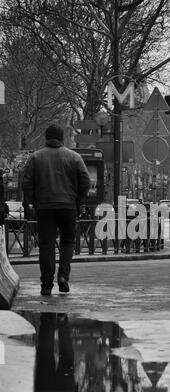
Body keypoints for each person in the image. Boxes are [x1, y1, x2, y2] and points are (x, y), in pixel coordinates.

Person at [22, 124, 91, 296]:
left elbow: (27, 182)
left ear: (46, 137)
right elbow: (85, 181)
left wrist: (33, 201)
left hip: (45, 207)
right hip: (68, 207)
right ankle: (63, 277)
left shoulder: (35, 158)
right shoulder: (74, 157)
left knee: (46, 246)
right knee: (68, 241)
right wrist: (79, 199)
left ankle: (46, 284)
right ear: (62, 138)